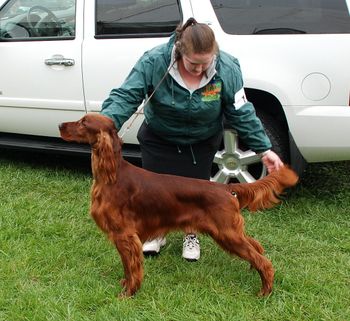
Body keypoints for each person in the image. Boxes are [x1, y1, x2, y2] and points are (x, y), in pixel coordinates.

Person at [100, 17, 283, 261]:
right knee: (156, 193)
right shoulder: (154, 61)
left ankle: (191, 233)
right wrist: (104, 124)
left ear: (214, 54)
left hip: (201, 140)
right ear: (179, 51)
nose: (199, 70)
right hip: (160, 136)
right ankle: (156, 233)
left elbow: (241, 110)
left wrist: (264, 149)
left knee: (195, 193)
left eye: (205, 64)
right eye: (193, 64)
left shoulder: (227, 68)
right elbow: (126, 96)